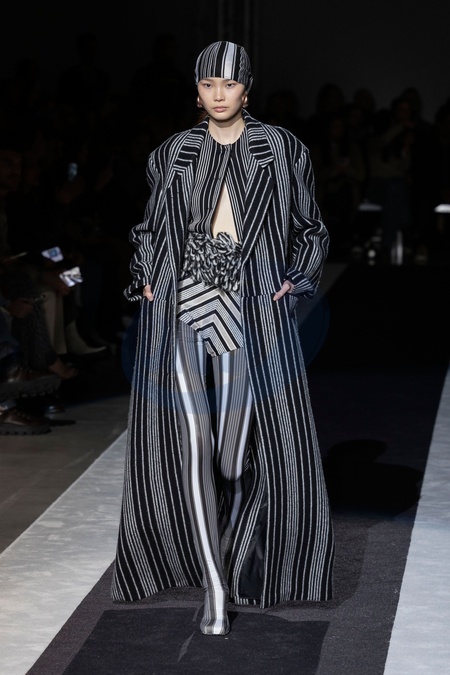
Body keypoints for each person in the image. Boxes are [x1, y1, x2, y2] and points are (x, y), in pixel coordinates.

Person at [112, 41, 334, 636]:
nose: (218, 94)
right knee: (194, 445)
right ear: (196, 89)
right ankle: (214, 588)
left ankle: (238, 556)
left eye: (229, 84)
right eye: (208, 84)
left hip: (248, 305)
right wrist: (147, 275)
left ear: (247, 89)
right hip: (183, 300)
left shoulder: (281, 149)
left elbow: (311, 226)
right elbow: (150, 227)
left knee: (233, 460)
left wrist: (298, 277)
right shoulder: (173, 153)